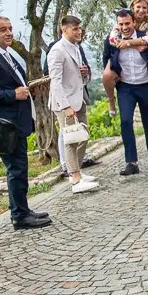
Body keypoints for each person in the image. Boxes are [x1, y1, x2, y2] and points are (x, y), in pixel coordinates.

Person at [0, 16, 51, 232]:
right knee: (16, 169)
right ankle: (19, 216)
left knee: (20, 167)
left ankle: (23, 210)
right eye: (2, 30)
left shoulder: (4, 54)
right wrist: (13, 94)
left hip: (16, 123)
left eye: (10, 28)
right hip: (5, 126)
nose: (9, 33)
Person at [103, 9, 148, 175]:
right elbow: (106, 57)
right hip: (125, 87)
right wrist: (113, 74)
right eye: (121, 24)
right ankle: (131, 162)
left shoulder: (145, 37)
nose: (125, 27)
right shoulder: (112, 40)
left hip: (146, 84)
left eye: (127, 23)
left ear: (133, 22)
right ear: (117, 25)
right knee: (125, 121)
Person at [47, 15, 98, 195]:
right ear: (64, 30)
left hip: (79, 98)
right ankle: (75, 179)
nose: (79, 32)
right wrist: (66, 107)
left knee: (83, 135)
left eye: (79, 28)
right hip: (65, 103)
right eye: (75, 29)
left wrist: (84, 74)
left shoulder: (76, 48)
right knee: (71, 140)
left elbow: (78, 77)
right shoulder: (57, 51)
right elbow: (55, 82)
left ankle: (77, 172)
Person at [103, 0, 148, 115]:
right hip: (128, 57)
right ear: (133, 7)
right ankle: (111, 101)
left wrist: (131, 43)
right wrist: (134, 44)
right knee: (107, 75)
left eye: (144, 8)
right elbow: (112, 40)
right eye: (138, 7)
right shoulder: (124, 20)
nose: (141, 10)